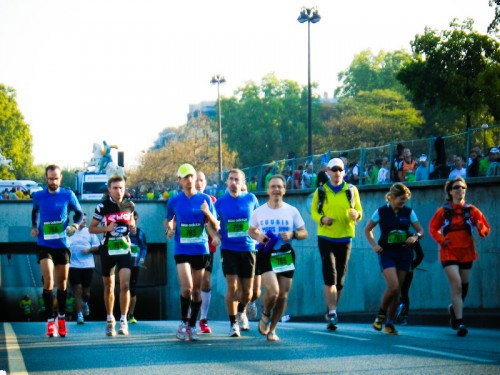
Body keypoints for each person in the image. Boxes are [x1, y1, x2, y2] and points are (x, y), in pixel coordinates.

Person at [249, 175, 308, 341]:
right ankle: (266, 314)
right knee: (273, 291)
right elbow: (251, 230)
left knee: (283, 295)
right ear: (268, 190)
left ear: (284, 190)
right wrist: (258, 236)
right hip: (266, 254)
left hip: (285, 254)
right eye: (273, 186)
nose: (276, 189)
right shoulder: (259, 211)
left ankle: (272, 329)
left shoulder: (292, 211)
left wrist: (293, 234)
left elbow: (304, 233)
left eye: (279, 187)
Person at [429, 177, 490, 337]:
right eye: (456, 187)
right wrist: (442, 240)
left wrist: (480, 228)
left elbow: (485, 229)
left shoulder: (472, 210)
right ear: (450, 191)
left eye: (463, 187)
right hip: (449, 251)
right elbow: (433, 228)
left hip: (467, 251)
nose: (460, 190)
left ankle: (454, 311)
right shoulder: (443, 211)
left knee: (464, 286)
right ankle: (460, 322)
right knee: (456, 285)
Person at [164, 163, 218, 341]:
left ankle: (192, 325)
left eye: (192, 176)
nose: (189, 180)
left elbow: (215, 225)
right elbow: (169, 221)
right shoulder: (174, 200)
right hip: (182, 248)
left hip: (200, 249)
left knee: (196, 290)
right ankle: (183, 322)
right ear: (179, 180)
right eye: (185, 177)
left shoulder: (205, 199)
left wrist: (207, 212)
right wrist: (170, 229)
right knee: (186, 288)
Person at [364, 183, 424, 335]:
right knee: (394, 286)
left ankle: (389, 323)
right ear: (391, 197)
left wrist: (415, 237)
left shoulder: (409, 212)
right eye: (400, 200)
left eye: (405, 200)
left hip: (404, 254)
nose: (403, 203)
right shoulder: (381, 211)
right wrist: (374, 245)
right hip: (387, 252)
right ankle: (380, 315)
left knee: (398, 292)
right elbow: (367, 229)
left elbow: (421, 230)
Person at [310, 158, 363, 330]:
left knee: (340, 278)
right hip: (325, 237)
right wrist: (322, 219)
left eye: (340, 169)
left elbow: (360, 211)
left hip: (345, 237)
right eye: (334, 169)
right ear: (328, 172)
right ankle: (332, 311)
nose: (337, 172)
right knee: (330, 274)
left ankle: (332, 308)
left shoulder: (351, 190)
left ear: (344, 172)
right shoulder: (321, 191)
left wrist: (357, 215)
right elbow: (313, 212)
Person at [31, 164, 83, 337]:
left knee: (62, 283)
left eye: (56, 178)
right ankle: (49, 320)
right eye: (50, 178)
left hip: (62, 244)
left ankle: (61, 317)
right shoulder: (38, 196)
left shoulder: (68, 194)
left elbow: (79, 214)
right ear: (46, 178)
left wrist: (75, 225)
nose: (53, 181)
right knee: (48, 281)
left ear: (60, 178)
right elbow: (35, 212)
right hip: (44, 244)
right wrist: (34, 227)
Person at [214, 169, 260, 337]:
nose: (233, 182)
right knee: (232, 287)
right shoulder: (220, 203)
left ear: (242, 183)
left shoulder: (251, 199)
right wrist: (215, 235)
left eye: (237, 179)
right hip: (229, 249)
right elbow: (211, 223)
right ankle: (233, 323)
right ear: (227, 182)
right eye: (231, 179)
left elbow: (258, 220)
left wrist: (259, 234)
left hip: (248, 248)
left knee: (248, 292)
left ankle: (242, 310)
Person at [89, 175, 136, 337]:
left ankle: (123, 320)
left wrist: (133, 228)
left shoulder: (129, 205)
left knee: (125, 285)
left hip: (124, 249)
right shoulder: (102, 207)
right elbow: (91, 228)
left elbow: (132, 223)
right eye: (115, 188)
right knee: (109, 286)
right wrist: (107, 229)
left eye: (121, 188)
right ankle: (110, 320)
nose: (118, 191)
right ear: (109, 189)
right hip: (107, 249)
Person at [194, 171, 217, 334]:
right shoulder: (183, 200)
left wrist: (215, 236)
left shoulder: (212, 200)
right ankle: (189, 317)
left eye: (201, 180)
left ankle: (203, 318)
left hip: (207, 247)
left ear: (205, 182)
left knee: (206, 282)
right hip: (187, 248)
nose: (198, 183)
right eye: (196, 180)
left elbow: (216, 223)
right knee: (190, 285)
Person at [68, 213, 101, 324]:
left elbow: (97, 246)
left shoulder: (89, 231)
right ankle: (79, 315)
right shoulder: (70, 231)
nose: (85, 221)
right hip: (73, 265)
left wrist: (88, 250)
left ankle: (85, 303)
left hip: (87, 265)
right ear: (76, 220)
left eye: (86, 220)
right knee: (77, 290)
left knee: (86, 293)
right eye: (82, 220)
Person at [394, 241, 425, 325]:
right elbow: (420, 255)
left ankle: (399, 313)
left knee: (395, 290)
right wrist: (412, 265)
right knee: (404, 291)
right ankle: (403, 316)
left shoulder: (391, 233)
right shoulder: (411, 237)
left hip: (393, 267)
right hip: (407, 267)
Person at [128, 211, 148, 324]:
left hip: (135, 263)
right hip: (124, 263)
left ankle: (131, 314)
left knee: (133, 288)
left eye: (134, 219)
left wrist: (142, 258)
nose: (132, 221)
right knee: (124, 287)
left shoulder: (140, 233)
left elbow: (144, 247)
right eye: (130, 219)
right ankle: (123, 314)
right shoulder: (123, 232)